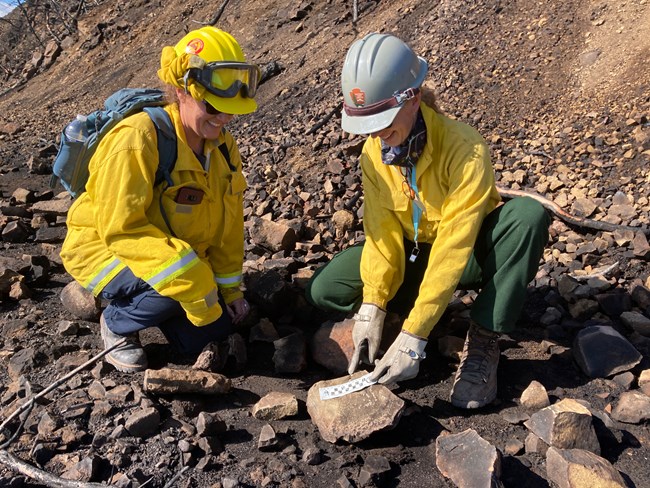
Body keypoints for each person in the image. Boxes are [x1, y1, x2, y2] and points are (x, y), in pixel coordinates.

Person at [306, 33, 550, 409]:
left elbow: (455, 242)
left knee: (527, 216)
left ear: (413, 97)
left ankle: (484, 337)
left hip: (467, 254)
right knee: (326, 289)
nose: (375, 135)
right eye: (367, 124)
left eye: (382, 122)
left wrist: (416, 334)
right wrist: (372, 306)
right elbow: (382, 233)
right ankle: (398, 318)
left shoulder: (465, 149)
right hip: (412, 252)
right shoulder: (374, 153)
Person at [60, 26, 260, 372]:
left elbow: (229, 222)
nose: (224, 118)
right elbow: (122, 230)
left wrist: (231, 291)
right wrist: (195, 280)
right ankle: (117, 322)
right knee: (179, 283)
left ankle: (167, 306)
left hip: (173, 248)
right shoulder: (137, 138)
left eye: (231, 109)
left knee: (213, 330)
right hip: (104, 248)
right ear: (182, 89)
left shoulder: (223, 146)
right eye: (213, 106)